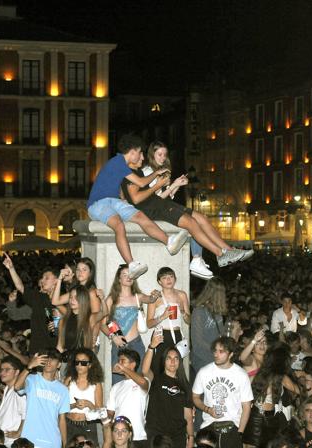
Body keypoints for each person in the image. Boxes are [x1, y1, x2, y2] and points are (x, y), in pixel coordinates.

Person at [124, 141, 252, 277]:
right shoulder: (149, 171)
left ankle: (228, 250)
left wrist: (176, 185)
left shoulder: (162, 171)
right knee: (191, 222)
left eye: (164, 155)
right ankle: (216, 255)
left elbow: (168, 197)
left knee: (202, 218)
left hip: (166, 206)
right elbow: (155, 199)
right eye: (159, 154)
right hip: (158, 208)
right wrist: (173, 185)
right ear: (152, 155)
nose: (162, 157)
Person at [86, 133, 189, 279]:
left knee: (141, 216)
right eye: (140, 152)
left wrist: (123, 199)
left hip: (114, 202)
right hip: (98, 203)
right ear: (132, 151)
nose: (142, 156)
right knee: (119, 225)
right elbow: (141, 182)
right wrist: (157, 173)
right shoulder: (118, 161)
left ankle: (169, 242)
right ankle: (132, 264)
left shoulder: (120, 165)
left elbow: (120, 186)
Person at [192, 336, 254, 448]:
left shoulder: (240, 374)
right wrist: (208, 409)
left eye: (221, 351)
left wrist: (240, 432)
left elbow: (246, 406)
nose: (216, 354)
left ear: (230, 354)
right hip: (209, 427)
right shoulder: (204, 372)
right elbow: (195, 397)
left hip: (232, 427)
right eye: (215, 350)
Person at [101, 264, 158, 384]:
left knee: (140, 378)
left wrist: (155, 295)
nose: (128, 277)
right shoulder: (111, 299)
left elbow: (150, 299)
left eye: (131, 274)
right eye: (124, 274)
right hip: (119, 345)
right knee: (118, 381)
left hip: (136, 343)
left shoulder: (138, 297)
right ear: (119, 278)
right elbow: (102, 324)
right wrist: (113, 337)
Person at [142, 332, 194, 448]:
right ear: (164, 361)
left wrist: (191, 437)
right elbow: (144, 370)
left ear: (179, 362)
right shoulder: (156, 379)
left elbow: (188, 416)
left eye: (176, 358)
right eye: (169, 358)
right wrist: (151, 347)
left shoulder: (185, 385)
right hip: (156, 435)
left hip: (177, 436)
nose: (172, 362)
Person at [14, 349, 69, 448]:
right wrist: (28, 367)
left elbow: (62, 419)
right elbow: (17, 387)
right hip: (30, 441)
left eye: (53, 359)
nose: (48, 361)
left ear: (59, 364)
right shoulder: (32, 379)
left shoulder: (63, 390)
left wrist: (65, 443)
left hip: (53, 443)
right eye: (46, 358)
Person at [2, 254, 58, 355]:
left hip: (56, 351)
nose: (43, 282)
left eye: (47, 278)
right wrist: (11, 268)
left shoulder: (64, 301)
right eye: (42, 280)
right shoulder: (38, 299)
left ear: (56, 281)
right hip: (37, 351)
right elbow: (20, 287)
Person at [147, 267, 190, 376]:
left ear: (175, 279)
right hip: (161, 335)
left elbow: (189, 321)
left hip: (177, 334)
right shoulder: (156, 297)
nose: (168, 280)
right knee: (158, 368)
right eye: (165, 278)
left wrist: (183, 312)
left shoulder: (182, 295)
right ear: (159, 281)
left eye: (171, 277)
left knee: (177, 369)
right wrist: (162, 317)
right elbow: (149, 323)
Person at [107, 349, 150, 448]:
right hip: (119, 437)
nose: (118, 364)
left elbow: (143, 382)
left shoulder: (143, 381)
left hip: (137, 436)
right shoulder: (116, 387)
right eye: (119, 361)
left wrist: (123, 369)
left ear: (132, 364)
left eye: (122, 361)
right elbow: (110, 413)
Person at [63, 348, 104, 445]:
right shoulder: (69, 380)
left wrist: (88, 404)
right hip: (69, 423)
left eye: (83, 363)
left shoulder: (96, 384)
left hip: (88, 425)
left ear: (90, 365)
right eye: (77, 362)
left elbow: (99, 411)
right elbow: (60, 406)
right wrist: (74, 405)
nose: (79, 365)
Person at [190, 278, 227, 374]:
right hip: (203, 358)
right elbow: (197, 341)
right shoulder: (199, 311)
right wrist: (217, 349)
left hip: (217, 356)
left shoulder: (218, 311)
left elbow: (221, 335)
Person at [0, 356, 26, 447]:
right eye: (1, 370)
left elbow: (26, 413)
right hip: (3, 440)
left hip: (12, 441)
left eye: (7, 370)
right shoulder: (6, 389)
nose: (2, 373)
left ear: (17, 372)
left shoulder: (19, 390)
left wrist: (18, 432)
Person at [56, 285, 100, 354]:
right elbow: (60, 346)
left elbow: (104, 313)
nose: (72, 300)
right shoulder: (63, 320)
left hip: (83, 360)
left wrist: (102, 299)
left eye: (76, 298)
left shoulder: (89, 318)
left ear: (83, 299)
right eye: (70, 297)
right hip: (68, 359)